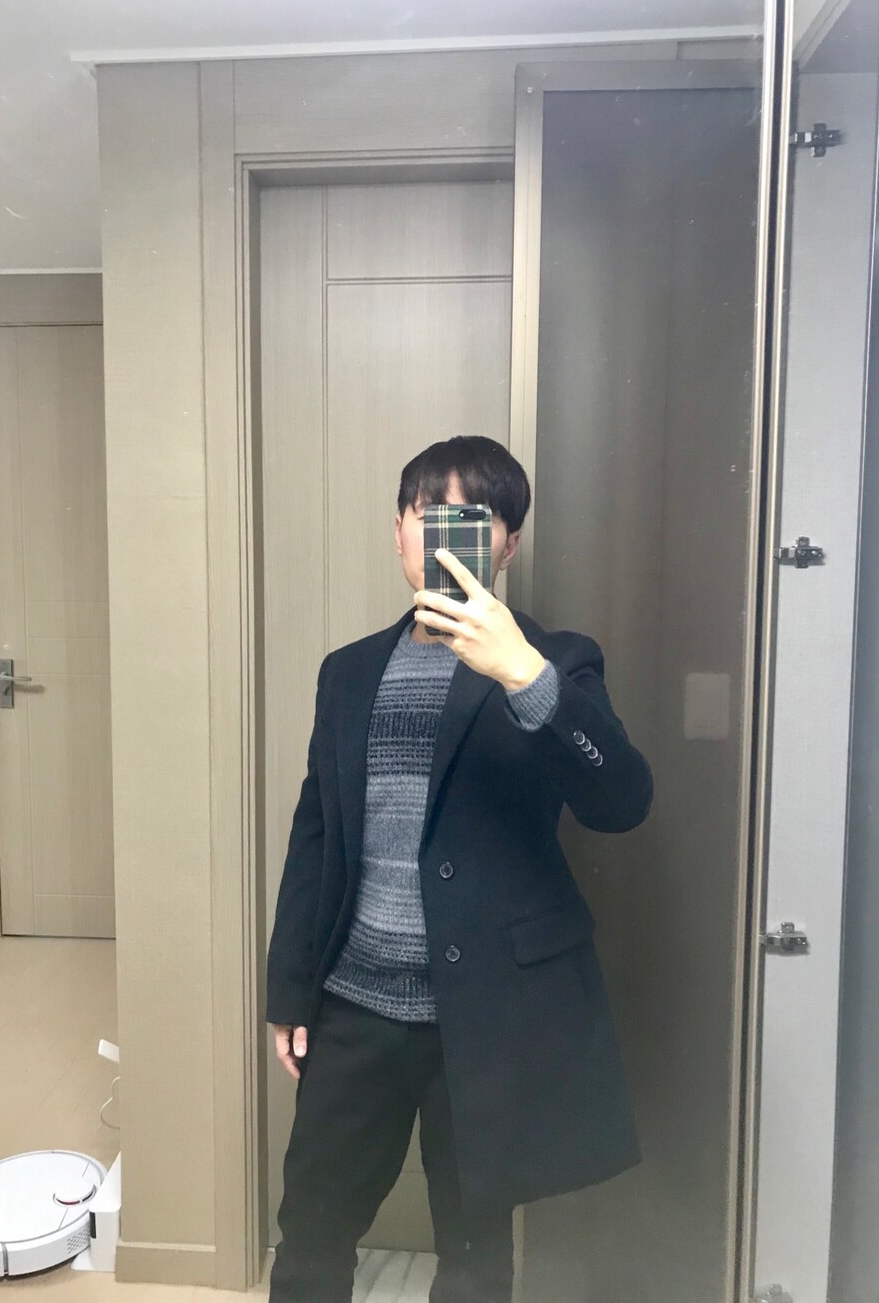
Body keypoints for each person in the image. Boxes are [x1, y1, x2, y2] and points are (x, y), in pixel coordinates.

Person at [265, 434, 653, 1303]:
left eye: (472, 518)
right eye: (428, 514)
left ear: (507, 544)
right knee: (311, 1234)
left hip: (488, 1021)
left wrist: (525, 676)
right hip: (354, 1007)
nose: (445, 535)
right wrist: (290, 989)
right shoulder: (347, 673)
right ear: (398, 533)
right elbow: (316, 834)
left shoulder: (558, 661)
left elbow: (622, 801)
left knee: (476, 1258)